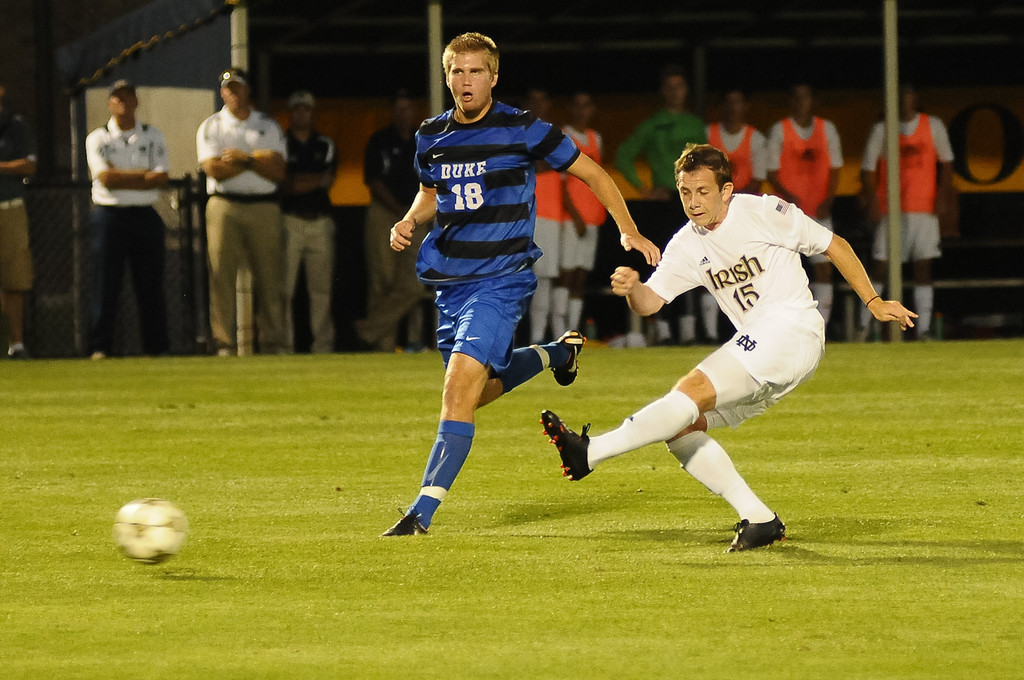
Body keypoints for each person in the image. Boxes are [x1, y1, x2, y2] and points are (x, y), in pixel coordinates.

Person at [541, 144, 916, 552]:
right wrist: (634, 290)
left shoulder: (763, 212)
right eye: (685, 192)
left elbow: (833, 244)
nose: (693, 202)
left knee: (688, 391)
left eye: (703, 191)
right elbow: (652, 303)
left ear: (727, 191)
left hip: (792, 331)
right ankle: (759, 518)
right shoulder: (687, 243)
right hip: (764, 353)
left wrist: (873, 301)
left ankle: (590, 453)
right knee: (680, 426)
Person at [382, 32, 660, 536]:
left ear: (493, 77)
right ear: (447, 77)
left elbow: (593, 173)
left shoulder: (523, 129)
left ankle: (420, 513)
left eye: (475, 72)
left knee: (455, 393)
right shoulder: (431, 135)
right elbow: (430, 195)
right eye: (456, 72)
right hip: (451, 282)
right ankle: (557, 354)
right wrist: (408, 221)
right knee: (474, 394)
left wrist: (628, 227)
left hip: (501, 279)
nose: (465, 81)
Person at [197, 67, 288, 356]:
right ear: (223, 92)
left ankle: (273, 343)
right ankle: (224, 344)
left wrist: (243, 158)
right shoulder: (212, 126)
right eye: (228, 89)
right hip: (224, 205)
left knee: (270, 278)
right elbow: (214, 169)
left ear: (248, 91)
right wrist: (259, 160)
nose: (232, 94)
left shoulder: (267, 125)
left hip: (264, 206)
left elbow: (278, 171)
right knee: (222, 276)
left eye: (237, 88)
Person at [616, 64, 706, 344]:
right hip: (665, 201)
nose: (675, 92)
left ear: (686, 91)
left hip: (691, 204)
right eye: (670, 87)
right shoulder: (653, 124)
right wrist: (644, 190)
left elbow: (707, 163)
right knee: (664, 263)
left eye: (680, 86)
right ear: (663, 91)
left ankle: (690, 330)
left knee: (697, 260)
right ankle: (664, 330)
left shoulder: (695, 124)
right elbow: (623, 155)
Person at [859, 83, 954, 341]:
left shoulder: (933, 126)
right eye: (900, 97)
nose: (905, 101)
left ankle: (921, 329)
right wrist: (873, 202)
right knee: (880, 268)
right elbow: (868, 169)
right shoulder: (882, 129)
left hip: (924, 209)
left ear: (916, 99)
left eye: (909, 96)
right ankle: (864, 327)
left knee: (923, 269)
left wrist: (942, 197)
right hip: (891, 211)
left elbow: (946, 163)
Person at [84, 79, 170, 359]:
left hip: (144, 215)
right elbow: (106, 179)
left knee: (150, 286)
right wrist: (141, 175)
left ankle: (156, 348)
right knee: (105, 285)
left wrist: (124, 175)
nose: (123, 102)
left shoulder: (151, 134)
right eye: (117, 98)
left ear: (136, 101)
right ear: (109, 103)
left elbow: (160, 177)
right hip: (109, 216)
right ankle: (100, 347)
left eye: (128, 97)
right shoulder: (98, 137)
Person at [355, 90, 428, 353]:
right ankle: (384, 346)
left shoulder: (422, 141)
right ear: (392, 111)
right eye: (398, 108)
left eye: (407, 108)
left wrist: (412, 215)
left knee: (415, 284)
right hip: (384, 213)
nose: (402, 114)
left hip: (416, 217)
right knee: (382, 281)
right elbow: (374, 182)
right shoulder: (379, 140)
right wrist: (400, 211)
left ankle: (370, 331)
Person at [767, 84, 844, 333]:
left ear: (813, 100)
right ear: (791, 101)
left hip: (818, 212)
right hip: (787, 214)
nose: (802, 101)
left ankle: (821, 326)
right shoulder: (780, 129)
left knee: (824, 268)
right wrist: (789, 198)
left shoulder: (826, 128)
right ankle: (786, 328)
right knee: (784, 270)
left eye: (806, 96)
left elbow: (835, 167)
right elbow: (771, 171)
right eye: (797, 97)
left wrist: (828, 199)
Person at [703, 88, 768, 342]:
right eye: (728, 102)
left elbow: (758, 179)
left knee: (745, 270)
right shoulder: (710, 134)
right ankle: (709, 334)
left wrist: (730, 204)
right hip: (712, 216)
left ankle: (751, 328)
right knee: (713, 269)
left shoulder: (756, 138)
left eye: (738, 102)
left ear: (745, 106)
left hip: (742, 215)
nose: (733, 108)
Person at [281, 90, 337, 354]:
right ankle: (284, 346)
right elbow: (284, 185)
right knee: (284, 289)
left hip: (319, 222)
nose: (302, 113)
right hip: (289, 220)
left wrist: (299, 182)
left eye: (306, 108)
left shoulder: (324, 143)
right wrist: (309, 182)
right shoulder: (280, 142)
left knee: (321, 291)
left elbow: (326, 180)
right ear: (291, 112)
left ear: (312, 112)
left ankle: (322, 346)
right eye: (297, 109)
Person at [553, 91, 605, 337]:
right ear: (569, 109)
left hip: (592, 219)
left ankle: (573, 330)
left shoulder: (596, 139)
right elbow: (560, 182)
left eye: (586, 105)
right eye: (577, 105)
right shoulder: (564, 136)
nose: (582, 111)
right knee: (566, 274)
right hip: (571, 219)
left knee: (581, 277)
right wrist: (575, 216)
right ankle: (558, 331)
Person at [0, 79, 36, 359]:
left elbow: (28, 164)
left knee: (15, 278)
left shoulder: (15, 124)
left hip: (9, 208)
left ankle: (17, 344)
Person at [525, 87, 564, 344]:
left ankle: (542, 336)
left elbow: (559, 161)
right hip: (529, 213)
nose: (538, 106)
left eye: (542, 100)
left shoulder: (553, 131)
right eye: (533, 101)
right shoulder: (519, 130)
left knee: (547, 277)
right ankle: (534, 336)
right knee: (531, 276)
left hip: (553, 216)